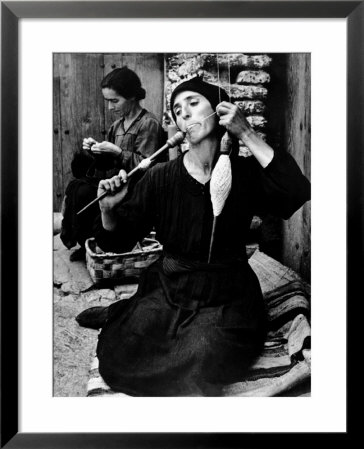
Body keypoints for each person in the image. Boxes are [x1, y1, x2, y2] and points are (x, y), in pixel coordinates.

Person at [76, 77, 311, 396]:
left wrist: (246, 131)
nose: (184, 113)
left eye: (193, 103)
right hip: (171, 285)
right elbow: (115, 242)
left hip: (229, 292)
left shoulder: (242, 174)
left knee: (203, 349)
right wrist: (108, 210)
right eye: (177, 109)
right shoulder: (160, 177)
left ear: (220, 111)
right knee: (132, 342)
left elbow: (295, 192)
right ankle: (121, 312)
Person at [60, 66, 164, 261]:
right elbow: (107, 165)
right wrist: (95, 151)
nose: (110, 107)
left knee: (86, 193)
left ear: (132, 96)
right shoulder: (117, 126)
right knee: (77, 186)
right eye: (108, 101)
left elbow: (147, 166)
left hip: (136, 189)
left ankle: (100, 244)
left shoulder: (148, 124)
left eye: (114, 101)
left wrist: (117, 152)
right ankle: (86, 243)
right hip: (116, 183)